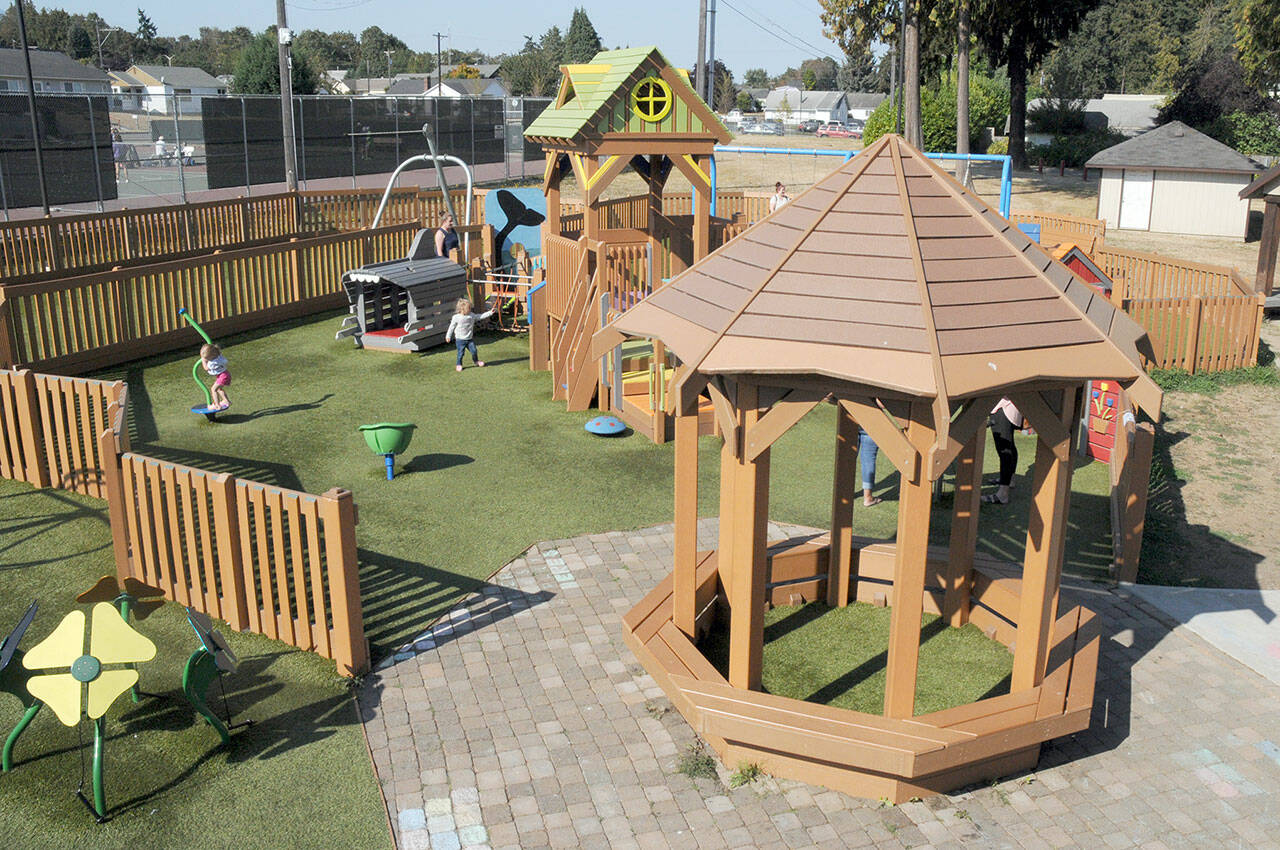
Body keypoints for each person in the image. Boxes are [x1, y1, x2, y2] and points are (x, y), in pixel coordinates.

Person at [984, 397, 1020, 505]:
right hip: (1009, 407)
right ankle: (1009, 480)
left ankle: (1003, 494)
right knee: (1009, 446)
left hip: (1003, 407)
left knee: (1004, 450)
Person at [445, 297, 495, 372]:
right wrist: (448, 336)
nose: (470, 309)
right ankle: (459, 364)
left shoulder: (471, 315)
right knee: (461, 353)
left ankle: (476, 361)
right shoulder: (456, 317)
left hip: (469, 339)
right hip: (460, 340)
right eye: (469, 308)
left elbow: (480, 316)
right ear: (462, 309)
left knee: (474, 351)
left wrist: (490, 312)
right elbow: (451, 327)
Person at [200, 343, 232, 410]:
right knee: (219, 389)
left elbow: (206, 368)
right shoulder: (219, 356)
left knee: (213, 389)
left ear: (212, 356)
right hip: (225, 374)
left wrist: (203, 360)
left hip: (222, 376)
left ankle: (217, 405)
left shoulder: (213, 363)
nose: (206, 359)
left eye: (207, 358)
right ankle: (226, 401)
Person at [859, 430, 881, 506]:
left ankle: (844, 494)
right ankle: (868, 497)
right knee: (868, 459)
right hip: (872, 424)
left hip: (854, 420)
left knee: (848, 458)